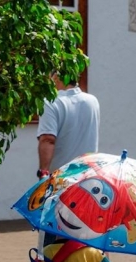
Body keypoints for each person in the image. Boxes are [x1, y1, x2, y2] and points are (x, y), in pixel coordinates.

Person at [36, 72, 100, 248]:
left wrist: (43, 173)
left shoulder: (51, 102)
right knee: (87, 238)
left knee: (53, 243)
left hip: (60, 183)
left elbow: (48, 139)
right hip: (88, 181)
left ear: (57, 77)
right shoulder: (92, 101)